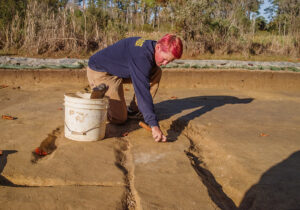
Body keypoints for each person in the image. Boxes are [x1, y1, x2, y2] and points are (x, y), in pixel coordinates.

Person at [87, 34, 183, 142]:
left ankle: (134, 110)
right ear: (158, 47)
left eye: (169, 61)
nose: (165, 63)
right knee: (119, 118)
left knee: (156, 71)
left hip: (119, 69)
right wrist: (154, 125)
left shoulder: (151, 47)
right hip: (101, 71)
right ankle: (98, 98)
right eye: (165, 59)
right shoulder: (141, 56)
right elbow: (142, 91)